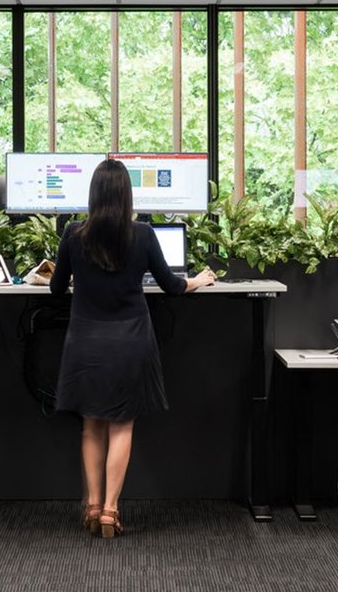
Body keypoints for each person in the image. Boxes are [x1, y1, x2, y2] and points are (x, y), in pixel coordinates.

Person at [50, 159, 215, 538]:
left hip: (85, 343)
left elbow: (56, 289)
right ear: (127, 195)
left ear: (93, 194)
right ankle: (111, 511)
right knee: (121, 426)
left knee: (91, 425)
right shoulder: (142, 234)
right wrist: (200, 280)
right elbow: (172, 286)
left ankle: (91, 507)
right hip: (130, 342)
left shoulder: (74, 234)